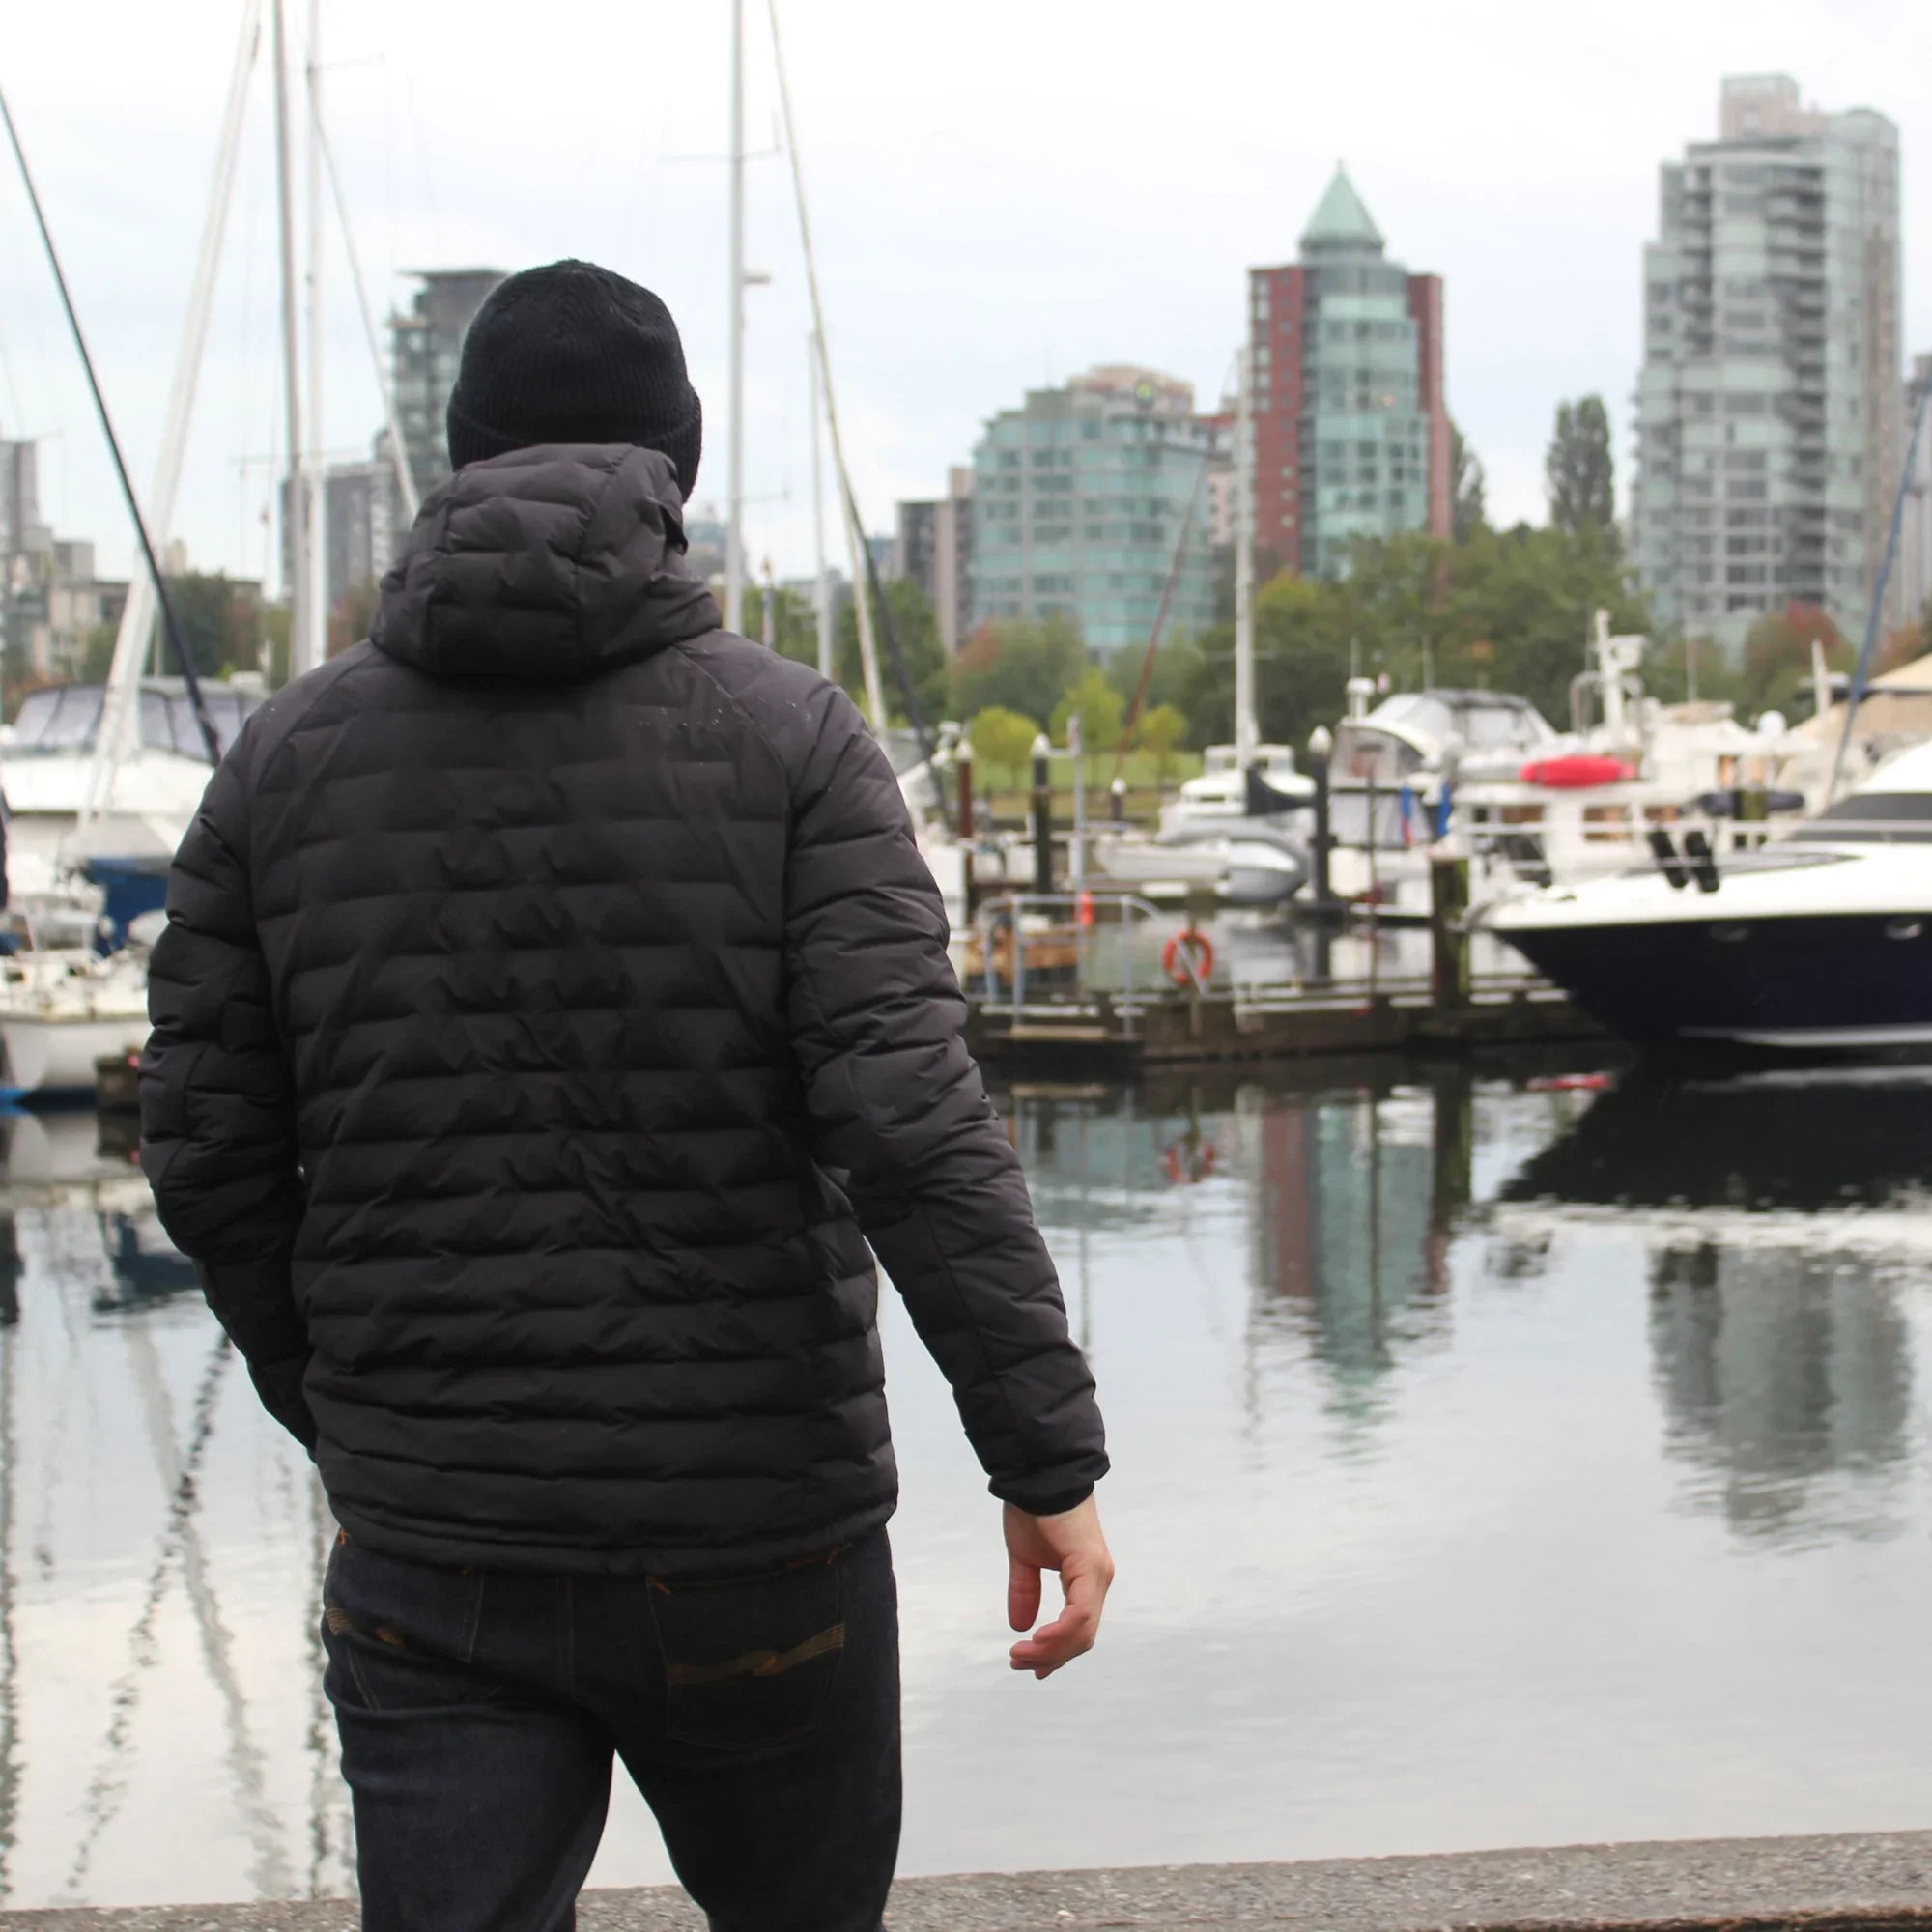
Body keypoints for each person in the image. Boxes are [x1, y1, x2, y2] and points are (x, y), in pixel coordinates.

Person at [140, 260, 1111, 1932]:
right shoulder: (796, 742)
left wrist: (361, 1413)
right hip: (760, 1538)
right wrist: (1045, 1456)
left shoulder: (281, 762)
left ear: (461, 452)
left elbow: (207, 1151)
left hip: (436, 1549)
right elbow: (910, 1122)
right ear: (679, 464)